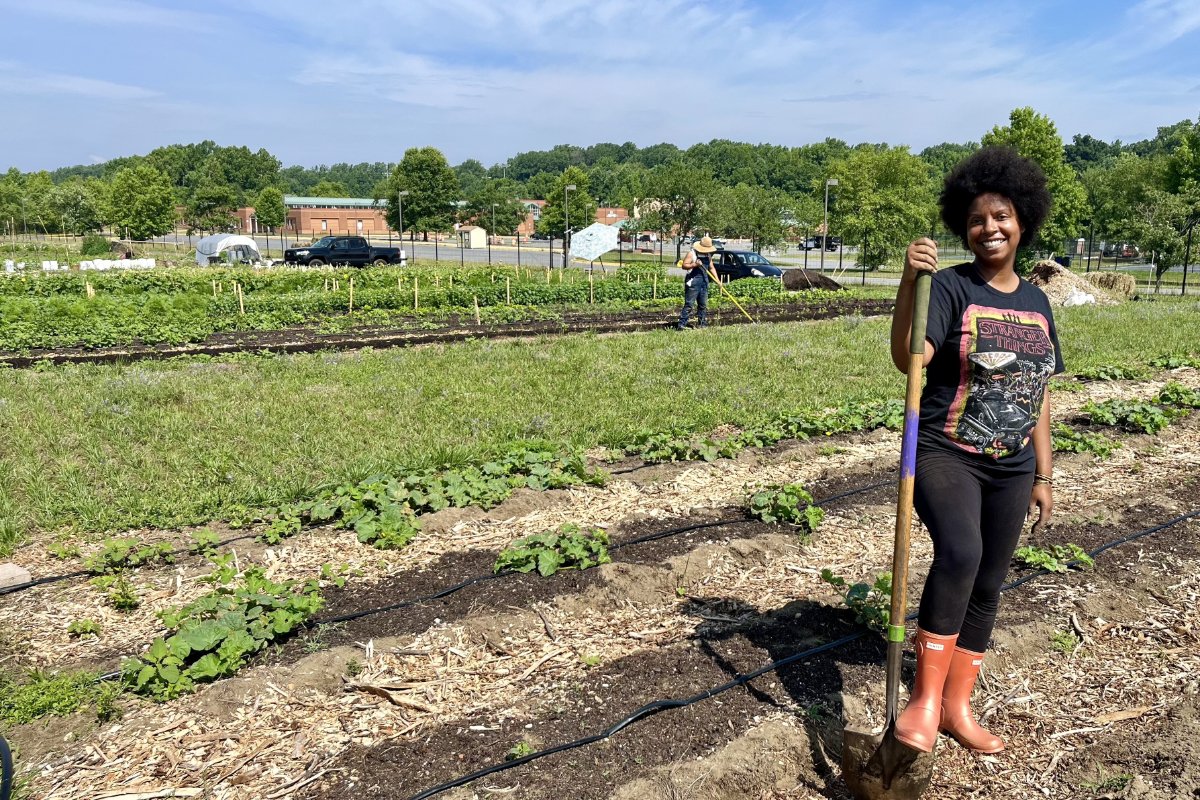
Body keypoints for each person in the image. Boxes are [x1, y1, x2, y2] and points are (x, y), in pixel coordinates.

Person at [890, 146, 1062, 755]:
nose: (990, 228)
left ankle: (958, 705)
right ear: (964, 227)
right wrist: (912, 282)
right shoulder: (951, 286)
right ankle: (924, 701)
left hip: (1012, 463)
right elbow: (910, 357)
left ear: (1023, 222)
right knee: (961, 552)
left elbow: (1038, 392)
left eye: (1002, 216)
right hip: (947, 449)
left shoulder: (1038, 302)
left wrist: (1043, 472)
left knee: (989, 578)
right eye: (977, 219)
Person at [677, 235, 717, 329]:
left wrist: (717, 280)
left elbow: (711, 268)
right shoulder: (692, 254)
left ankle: (702, 323)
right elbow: (684, 265)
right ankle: (682, 324)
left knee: (703, 304)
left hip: (704, 281)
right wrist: (695, 264)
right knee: (689, 304)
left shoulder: (708, 255)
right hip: (693, 281)